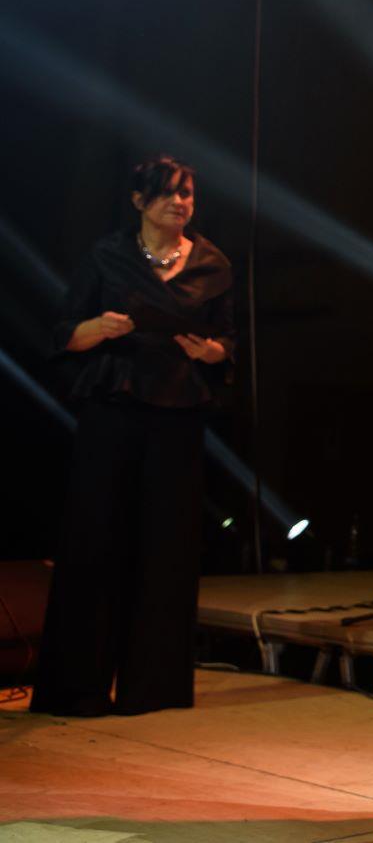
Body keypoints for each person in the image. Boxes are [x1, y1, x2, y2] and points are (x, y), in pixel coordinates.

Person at [33, 155, 234, 717]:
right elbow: (63, 334)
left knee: (166, 546)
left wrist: (209, 351)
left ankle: (154, 687)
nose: (179, 203)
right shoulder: (108, 255)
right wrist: (98, 328)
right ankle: (79, 687)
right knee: (96, 540)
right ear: (139, 201)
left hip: (177, 413)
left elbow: (229, 345)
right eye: (168, 193)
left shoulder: (213, 263)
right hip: (114, 407)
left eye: (187, 193)